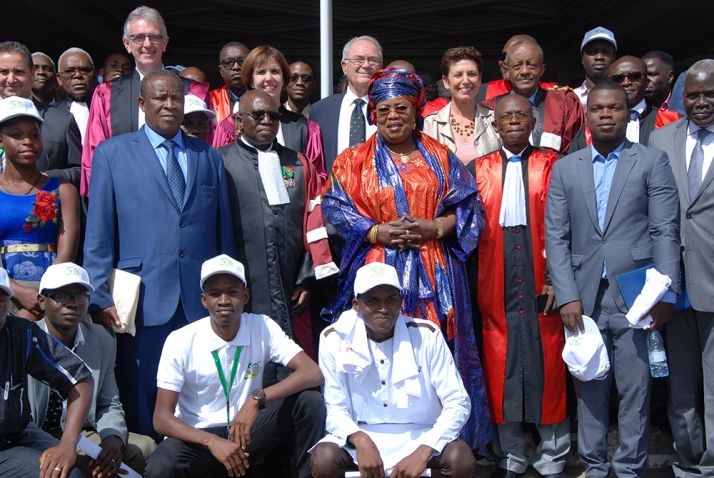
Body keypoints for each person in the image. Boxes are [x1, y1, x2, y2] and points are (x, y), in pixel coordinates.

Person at [321, 68, 492, 449]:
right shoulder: (352, 161)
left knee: (438, 350)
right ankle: (374, 436)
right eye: (384, 110)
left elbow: (469, 209)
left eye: (401, 108)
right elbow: (333, 207)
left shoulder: (440, 156)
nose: (393, 116)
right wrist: (375, 231)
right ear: (373, 115)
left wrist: (434, 228)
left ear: (416, 111)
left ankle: (447, 440)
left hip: (436, 270)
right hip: (378, 270)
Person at [82, 70, 234, 436]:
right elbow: (99, 232)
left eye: (176, 99)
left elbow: (222, 231)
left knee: (200, 394)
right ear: (141, 104)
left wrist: (229, 286)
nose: (169, 105)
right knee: (144, 395)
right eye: (160, 98)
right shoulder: (112, 154)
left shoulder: (207, 156)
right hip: (143, 299)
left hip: (199, 300)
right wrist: (99, 296)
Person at [545, 81, 680, 478]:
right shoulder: (566, 168)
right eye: (599, 109)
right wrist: (566, 293)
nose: (606, 114)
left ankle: (629, 467)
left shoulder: (651, 162)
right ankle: (593, 465)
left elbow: (665, 230)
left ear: (627, 113)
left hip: (637, 294)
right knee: (588, 384)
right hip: (583, 296)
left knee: (635, 389)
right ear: (588, 116)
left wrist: (666, 292)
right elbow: (556, 234)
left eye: (615, 109)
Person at [145, 254, 325, 478]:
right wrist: (211, 441)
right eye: (214, 294)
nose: (224, 301)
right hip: (198, 438)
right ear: (204, 300)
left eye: (232, 292)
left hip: (245, 432)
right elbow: (161, 418)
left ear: (245, 295)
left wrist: (257, 398)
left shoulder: (262, 326)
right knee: (162, 464)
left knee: (309, 402)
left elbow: (312, 372)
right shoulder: (181, 340)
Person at [471, 94, 568, 478]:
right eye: (505, 117)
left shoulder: (552, 165)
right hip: (495, 276)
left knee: (549, 358)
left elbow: (567, 227)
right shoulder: (477, 168)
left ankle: (552, 454)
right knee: (499, 359)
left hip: (542, 272)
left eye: (521, 116)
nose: (513, 122)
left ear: (534, 122)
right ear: (494, 125)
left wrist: (558, 278)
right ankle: (510, 452)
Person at [310, 262, 476, 478]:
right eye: (372, 301)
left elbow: (458, 401)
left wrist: (425, 450)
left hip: (421, 434)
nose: (383, 309)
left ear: (401, 301)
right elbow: (335, 407)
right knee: (323, 460)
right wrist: (360, 439)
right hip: (361, 435)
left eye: (391, 299)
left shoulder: (426, 334)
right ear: (356, 305)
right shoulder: (334, 339)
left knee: (460, 460)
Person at [219, 90, 336, 354]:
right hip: (244, 283)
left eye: (273, 116)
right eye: (257, 115)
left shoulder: (298, 162)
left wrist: (306, 280)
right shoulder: (220, 161)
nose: (266, 121)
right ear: (238, 122)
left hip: (292, 286)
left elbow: (314, 222)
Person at [28, 262, 156, 476]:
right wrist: (73, 455)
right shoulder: (24, 339)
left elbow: (108, 401)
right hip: (35, 434)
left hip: (80, 434)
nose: (72, 303)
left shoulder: (102, 338)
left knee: (145, 448)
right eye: (62, 295)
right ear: (42, 301)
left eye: (80, 295)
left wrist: (113, 440)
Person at [649, 59, 714, 478]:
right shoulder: (660, 139)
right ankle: (691, 461)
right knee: (682, 385)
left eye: (710, 94)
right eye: (693, 94)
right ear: (681, 96)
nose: (701, 102)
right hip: (672, 281)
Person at [81, 5, 209, 196]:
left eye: (155, 37)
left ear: (165, 43)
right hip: (125, 199)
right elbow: (94, 160)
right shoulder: (106, 94)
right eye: (139, 37)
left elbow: (210, 149)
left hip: (185, 196)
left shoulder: (194, 91)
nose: (147, 44)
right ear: (127, 44)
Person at [0, 266, 93, 478]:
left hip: (15, 436)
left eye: (1, 297)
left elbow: (80, 379)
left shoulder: (21, 333)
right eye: (62, 295)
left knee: (69, 471)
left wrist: (68, 445)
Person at [0, 96, 80, 321]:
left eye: (35, 134)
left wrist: (46, 296)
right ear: (1, 140)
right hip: (4, 294)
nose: (28, 141)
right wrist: (18, 292)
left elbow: (66, 254)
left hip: (52, 295)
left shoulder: (63, 190)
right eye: (17, 135)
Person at [213, 45, 326, 181]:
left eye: (275, 71)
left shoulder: (306, 129)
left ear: (284, 78)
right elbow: (218, 175)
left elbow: (316, 180)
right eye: (261, 72)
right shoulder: (229, 126)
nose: (269, 78)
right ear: (250, 80)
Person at [0, 41, 82, 185]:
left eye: (19, 72)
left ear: (32, 74)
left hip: (38, 203)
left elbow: (80, 171)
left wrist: (44, 177)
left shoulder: (62, 120)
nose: (11, 79)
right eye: (4, 72)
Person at [484, 42, 583, 154]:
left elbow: (575, 152)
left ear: (542, 69)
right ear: (507, 70)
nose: (525, 71)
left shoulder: (564, 103)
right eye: (517, 66)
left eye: (532, 66)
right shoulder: (491, 108)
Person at [570, 55, 681, 151]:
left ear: (647, 82)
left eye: (634, 76)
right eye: (617, 78)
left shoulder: (668, 121)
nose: (626, 82)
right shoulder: (590, 128)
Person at [310, 35, 382, 173]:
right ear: (344, 66)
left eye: (372, 60)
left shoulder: (389, 109)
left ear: (380, 67)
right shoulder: (320, 111)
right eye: (359, 59)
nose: (366, 65)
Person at [423, 46, 501, 164]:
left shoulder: (495, 119)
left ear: (480, 79)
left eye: (472, 74)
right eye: (458, 75)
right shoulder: (431, 124)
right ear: (446, 81)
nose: (465, 81)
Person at [475, 34, 557, 103]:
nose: (524, 71)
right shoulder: (482, 92)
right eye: (503, 56)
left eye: (531, 64)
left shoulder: (557, 95)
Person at [56, 48, 97, 146]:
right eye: (69, 71)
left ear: (95, 75)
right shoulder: (50, 117)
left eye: (84, 70)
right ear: (59, 79)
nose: (78, 75)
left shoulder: (109, 110)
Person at [572, 27, 617, 108]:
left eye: (605, 51)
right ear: (582, 59)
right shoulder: (570, 98)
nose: (599, 57)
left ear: (614, 58)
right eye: (592, 51)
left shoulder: (624, 94)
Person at [210, 42, 250, 125]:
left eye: (242, 61)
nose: (236, 67)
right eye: (228, 62)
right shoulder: (211, 100)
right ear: (220, 71)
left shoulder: (263, 99)